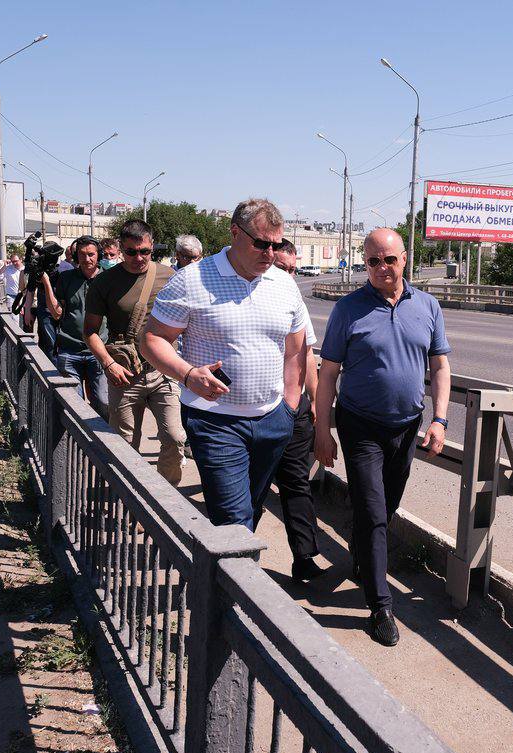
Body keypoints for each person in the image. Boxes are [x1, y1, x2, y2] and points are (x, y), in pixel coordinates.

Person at [315, 227, 451, 647]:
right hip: (361, 426)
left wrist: (440, 420)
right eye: (372, 261)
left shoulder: (427, 305)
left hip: (407, 427)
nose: (381, 268)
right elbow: (328, 375)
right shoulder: (348, 310)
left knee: (385, 506)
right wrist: (323, 429)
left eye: (388, 259)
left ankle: (361, 551)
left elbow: (440, 367)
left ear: (404, 259)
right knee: (374, 512)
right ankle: (380, 606)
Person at [140, 199, 308, 534]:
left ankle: (219, 580)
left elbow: (296, 351)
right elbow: (152, 340)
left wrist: (288, 407)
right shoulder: (192, 280)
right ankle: (235, 582)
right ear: (234, 232)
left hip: (273, 421)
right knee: (234, 522)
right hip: (215, 422)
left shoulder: (285, 284)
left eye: (275, 245)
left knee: (250, 511)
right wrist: (188, 374)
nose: (270, 253)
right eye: (260, 243)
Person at [83, 220, 186, 485]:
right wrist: (108, 364)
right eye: (131, 252)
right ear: (120, 249)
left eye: (144, 252)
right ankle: (127, 501)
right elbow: (90, 331)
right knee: (125, 446)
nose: (138, 258)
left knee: (175, 439)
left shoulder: (170, 277)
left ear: (152, 248)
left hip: (163, 373)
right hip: (124, 376)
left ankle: (164, 500)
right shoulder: (104, 282)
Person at [254, 239, 324, 579]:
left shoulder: (293, 299)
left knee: (297, 482)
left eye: (294, 270)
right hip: (258, 410)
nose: (289, 276)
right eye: (284, 269)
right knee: (255, 484)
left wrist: (315, 404)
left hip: (293, 409)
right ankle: (233, 557)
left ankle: (305, 559)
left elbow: (307, 355)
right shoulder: (250, 296)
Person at [49, 236, 109, 413]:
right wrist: (45, 281)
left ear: (99, 255)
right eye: (82, 254)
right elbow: (57, 313)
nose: (87, 259)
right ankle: (76, 442)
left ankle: (100, 440)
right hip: (70, 349)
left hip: (99, 351)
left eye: (91, 254)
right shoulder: (66, 278)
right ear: (76, 256)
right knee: (73, 407)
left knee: (103, 402)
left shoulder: (108, 278)